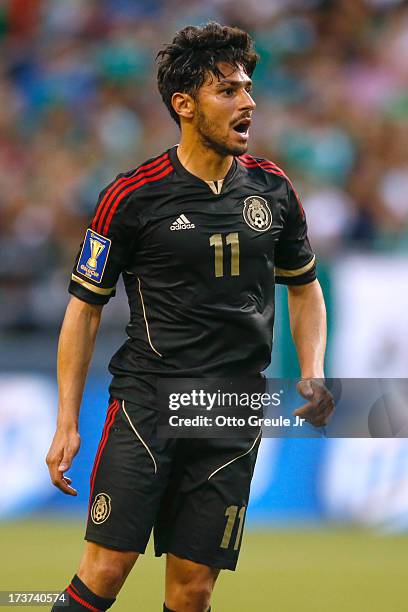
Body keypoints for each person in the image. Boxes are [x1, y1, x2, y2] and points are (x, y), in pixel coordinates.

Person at [46, 22, 333, 612]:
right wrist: (67, 422)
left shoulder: (273, 189)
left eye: (248, 89)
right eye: (227, 91)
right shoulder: (132, 196)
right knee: (105, 570)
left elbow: (305, 288)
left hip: (233, 407)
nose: (248, 101)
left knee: (193, 589)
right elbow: (83, 311)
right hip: (149, 401)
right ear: (184, 105)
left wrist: (313, 368)